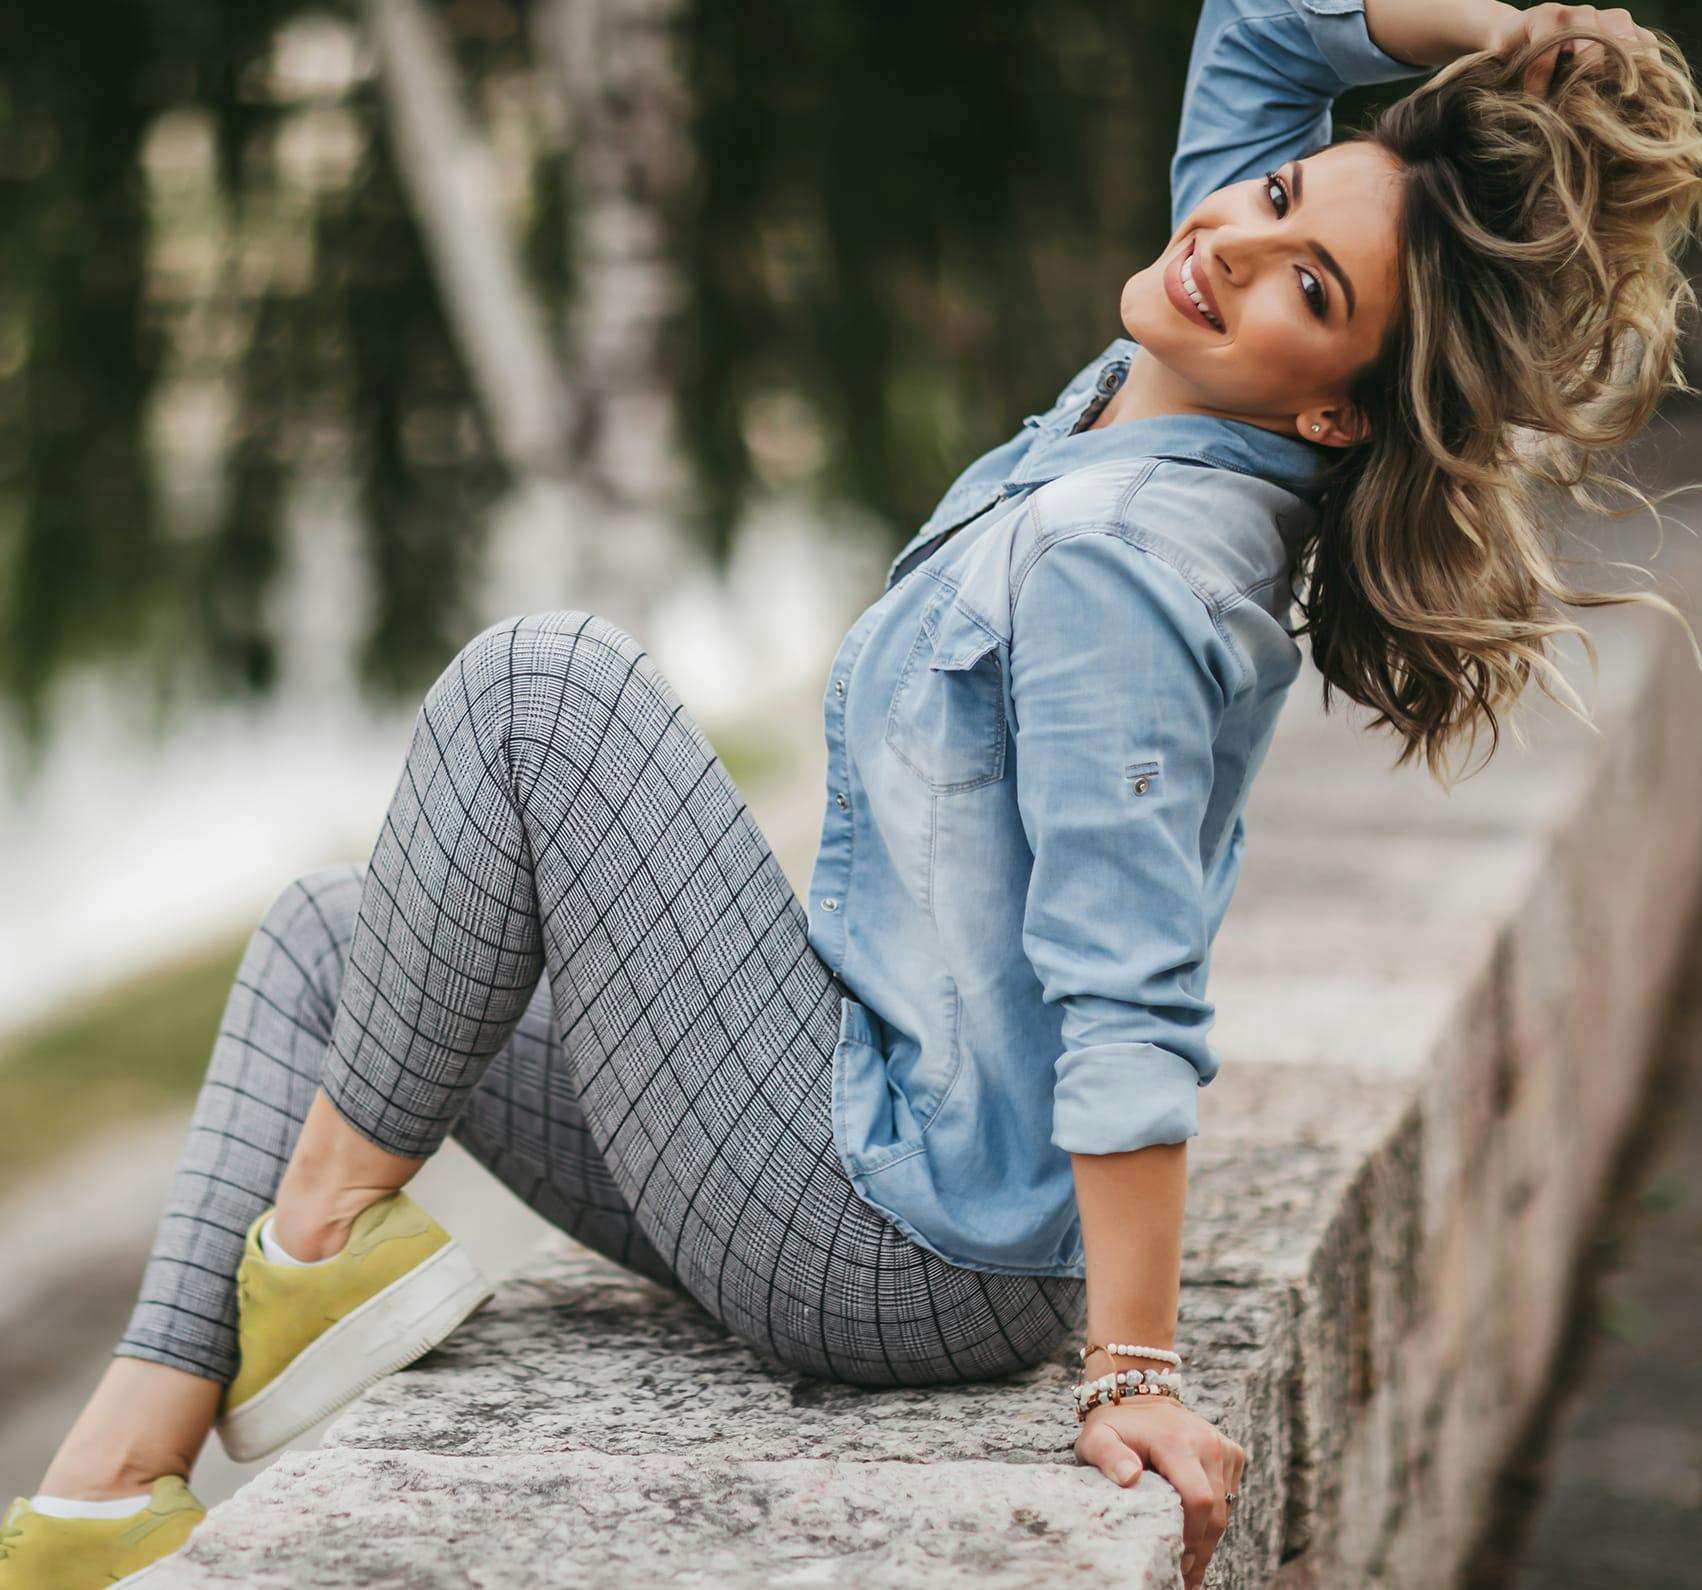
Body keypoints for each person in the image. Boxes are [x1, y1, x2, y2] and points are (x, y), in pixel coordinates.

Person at [4, 2, 1699, 1587]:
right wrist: (1506, 33)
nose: (1233, 244)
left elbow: (1128, 983)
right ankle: (102, 1500)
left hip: (898, 1247)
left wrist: (1132, 1366)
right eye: (1266, 196)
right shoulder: (1177, 373)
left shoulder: (1128, 566)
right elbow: (1262, 31)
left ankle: (316, 1248)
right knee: (335, 940)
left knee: (542, 690)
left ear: (1333, 407)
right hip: (853, 1144)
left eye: (1306, 284)